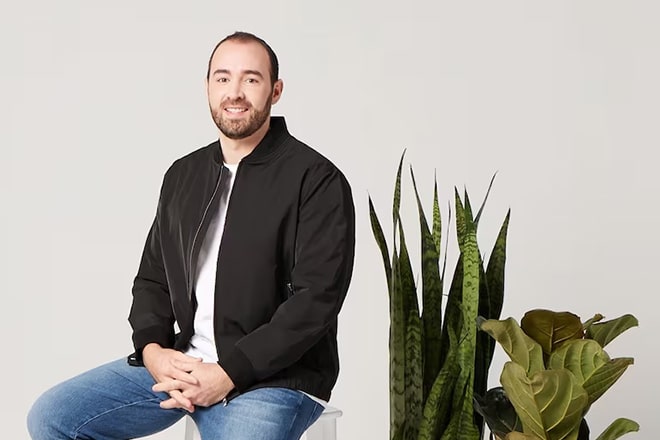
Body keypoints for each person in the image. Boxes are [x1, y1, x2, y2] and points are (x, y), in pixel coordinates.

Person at [27, 31, 355, 440]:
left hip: (271, 379)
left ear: (276, 90)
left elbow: (315, 302)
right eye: (222, 78)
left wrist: (227, 373)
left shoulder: (316, 179)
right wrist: (153, 352)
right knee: (53, 418)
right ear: (207, 88)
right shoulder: (184, 175)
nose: (234, 92)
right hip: (182, 362)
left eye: (251, 79)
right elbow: (153, 279)